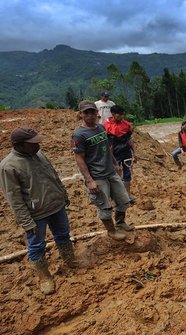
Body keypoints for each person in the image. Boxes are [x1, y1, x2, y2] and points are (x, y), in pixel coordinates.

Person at [0, 128, 79, 294]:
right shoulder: (9, 166)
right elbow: (14, 198)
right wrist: (26, 221)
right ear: (19, 146)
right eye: (33, 143)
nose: (38, 145)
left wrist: (63, 194)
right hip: (36, 214)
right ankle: (44, 276)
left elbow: (53, 175)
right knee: (36, 245)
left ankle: (70, 260)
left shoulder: (39, 154)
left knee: (63, 234)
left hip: (56, 205)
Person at [73, 101, 133, 240]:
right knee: (104, 207)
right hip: (97, 176)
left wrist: (115, 164)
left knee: (123, 200)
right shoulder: (79, 135)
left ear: (97, 113)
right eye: (86, 112)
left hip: (110, 172)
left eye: (92, 112)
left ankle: (120, 222)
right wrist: (89, 180)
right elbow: (80, 158)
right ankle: (111, 231)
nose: (90, 115)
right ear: (81, 114)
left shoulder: (100, 128)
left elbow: (107, 148)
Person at [103, 105, 135, 201]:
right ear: (113, 114)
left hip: (126, 152)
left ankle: (128, 195)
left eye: (122, 114)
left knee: (127, 174)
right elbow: (105, 143)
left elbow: (129, 139)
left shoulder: (126, 125)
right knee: (114, 175)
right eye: (119, 114)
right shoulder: (106, 125)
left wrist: (134, 152)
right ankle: (115, 198)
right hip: (114, 154)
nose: (121, 116)